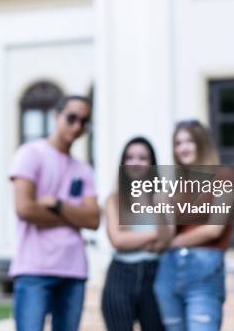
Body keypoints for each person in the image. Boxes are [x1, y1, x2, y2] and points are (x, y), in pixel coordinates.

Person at [9, 95, 100, 331]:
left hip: (74, 269)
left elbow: (93, 219)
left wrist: (58, 205)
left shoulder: (84, 169)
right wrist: (73, 216)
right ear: (56, 116)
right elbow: (25, 208)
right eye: (72, 118)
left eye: (84, 121)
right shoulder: (31, 153)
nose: (77, 126)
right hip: (34, 268)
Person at [152, 120, 233, 331]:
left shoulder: (223, 176)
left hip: (203, 270)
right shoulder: (176, 185)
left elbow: (215, 229)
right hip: (169, 271)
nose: (183, 148)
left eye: (189, 141)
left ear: (202, 143)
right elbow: (166, 237)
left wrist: (177, 241)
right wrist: (161, 207)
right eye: (178, 143)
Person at [101, 137, 165, 331]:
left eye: (142, 157)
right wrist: (154, 234)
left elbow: (167, 240)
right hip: (120, 276)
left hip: (155, 276)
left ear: (151, 163)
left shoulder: (162, 197)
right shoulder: (114, 199)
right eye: (129, 157)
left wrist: (133, 239)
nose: (135, 162)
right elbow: (118, 241)